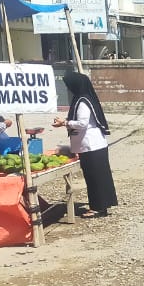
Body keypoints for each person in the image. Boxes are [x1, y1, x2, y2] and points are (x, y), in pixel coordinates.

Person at [52, 70, 117, 218]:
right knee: (99, 177)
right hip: (94, 145)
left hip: (91, 145)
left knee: (95, 178)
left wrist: (65, 123)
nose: (68, 88)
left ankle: (97, 208)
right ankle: (101, 206)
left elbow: (82, 123)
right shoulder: (83, 98)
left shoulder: (82, 101)